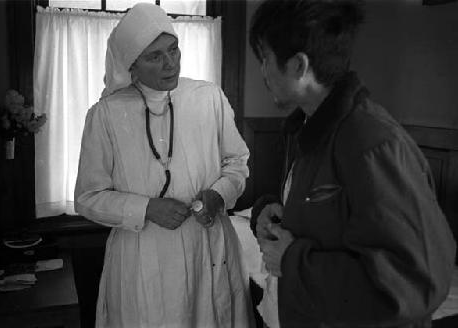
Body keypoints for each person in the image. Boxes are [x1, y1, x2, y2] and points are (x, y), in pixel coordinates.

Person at [248, 0, 457, 327]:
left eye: (265, 59)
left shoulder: (370, 142)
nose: (262, 72)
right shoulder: (310, 129)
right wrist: (270, 211)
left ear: (299, 66)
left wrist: (292, 260)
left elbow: (416, 283)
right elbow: (333, 221)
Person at [74, 3, 255, 327]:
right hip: (144, 257)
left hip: (207, 248)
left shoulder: (208, 97)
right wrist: (146, 209)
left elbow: (236, 162)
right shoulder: (106, 115)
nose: (170, 63)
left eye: (173, 50)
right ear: (132, 65)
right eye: (155, 57)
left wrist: (218, 195)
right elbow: (88, 197)